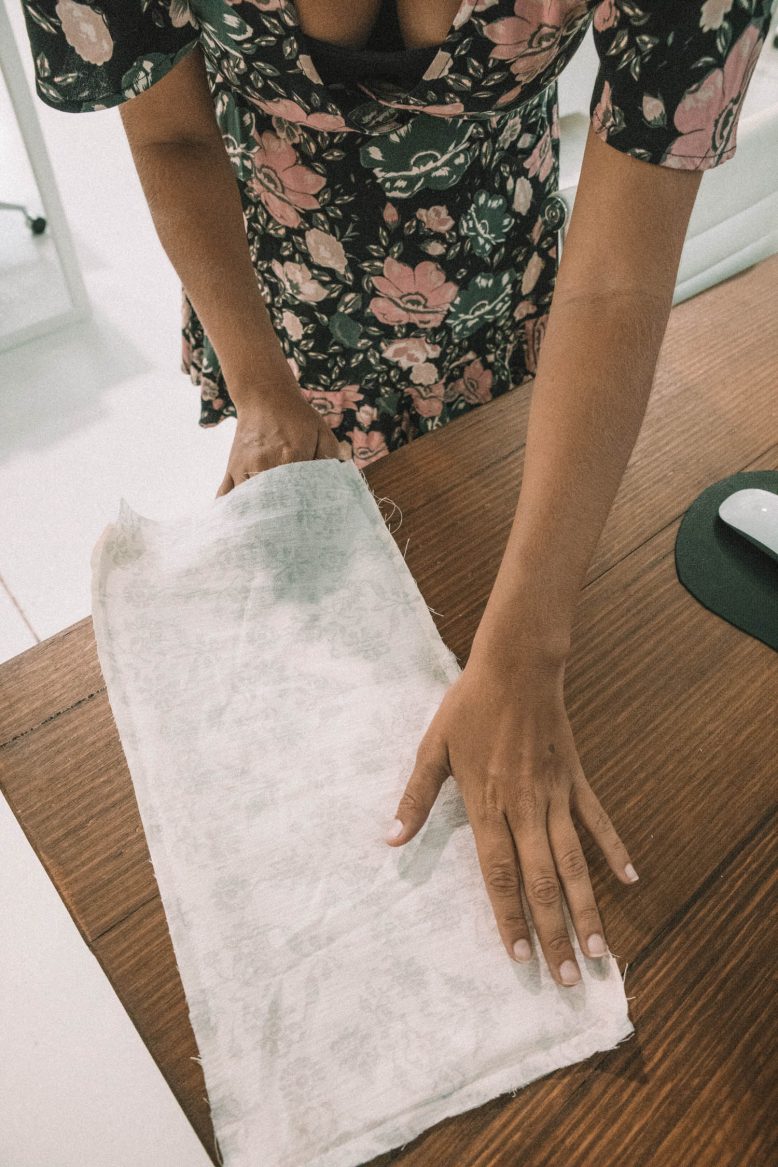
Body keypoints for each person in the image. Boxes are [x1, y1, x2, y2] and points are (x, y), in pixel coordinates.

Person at [20, 0, 773, 990]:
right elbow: (170, 134)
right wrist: (260, 389)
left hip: (503, 297)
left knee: (468, 584)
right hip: (276, 301)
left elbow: (616, 286)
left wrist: (526, 648)